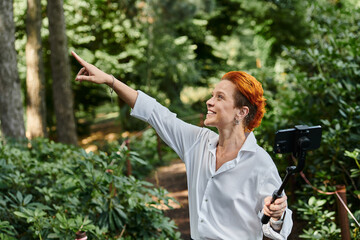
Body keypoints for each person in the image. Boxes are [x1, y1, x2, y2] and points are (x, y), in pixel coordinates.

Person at [72, 51, 293, 240]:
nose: (209, 101)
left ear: (241, 112)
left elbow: (279, 230)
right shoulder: (197, 141)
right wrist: (111, 80)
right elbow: (156, 113)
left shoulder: (259, 162)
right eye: (211, 95)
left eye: (220, 97)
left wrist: (277, 215)